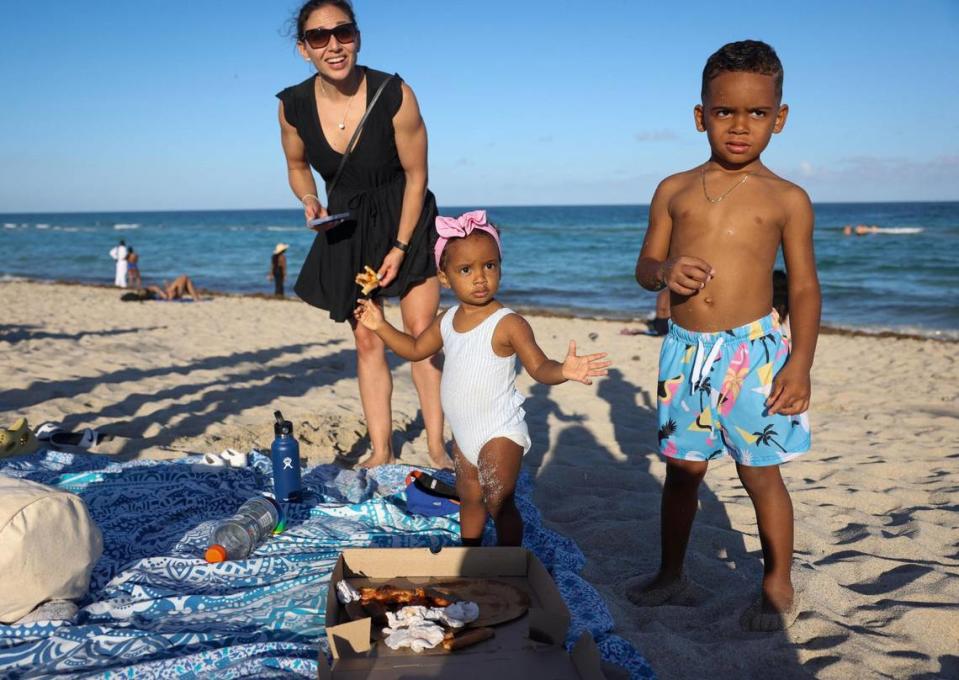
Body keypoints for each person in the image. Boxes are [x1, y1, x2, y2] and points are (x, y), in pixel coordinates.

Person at [632, 40, 820, 632]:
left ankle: (776, 581)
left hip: (755, 351)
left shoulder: (788, 198)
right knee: (682, 471)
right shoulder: (674, 188)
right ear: (700, 115)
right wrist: (664, 272)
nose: (740, 127)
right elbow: (644, 267)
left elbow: (808, 290)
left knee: (760, 472)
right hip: (684, 351)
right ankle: (671, 574)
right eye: (725, 112)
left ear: (779, 118)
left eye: (757, 113)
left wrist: (801, 365)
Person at [354, 211, 610, 545]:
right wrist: (380, 326)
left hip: (499, 431)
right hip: (463, 433)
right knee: (470, 499)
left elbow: (538, 367)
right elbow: (415, 349)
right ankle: (472, 555)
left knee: (498, 500)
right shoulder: (446, 321)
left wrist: (562, 370)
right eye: (466, 269)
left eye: (489, 266)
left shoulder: (509, 323)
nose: (480, 278)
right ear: (444, 278)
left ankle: (509, 562)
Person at [277, 0, 446, 469]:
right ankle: (382, 449)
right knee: (369, 339)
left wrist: (400, 245)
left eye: (343, 32)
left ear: (357, 36)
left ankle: (436, 446)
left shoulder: (395, 93)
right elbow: (296, 166)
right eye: (318, 37)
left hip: (406, 216)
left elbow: (417, 177)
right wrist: (310, 199)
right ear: (303, 49)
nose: (334, 45)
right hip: (348, 227)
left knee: (420, 333)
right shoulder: (292, 107)